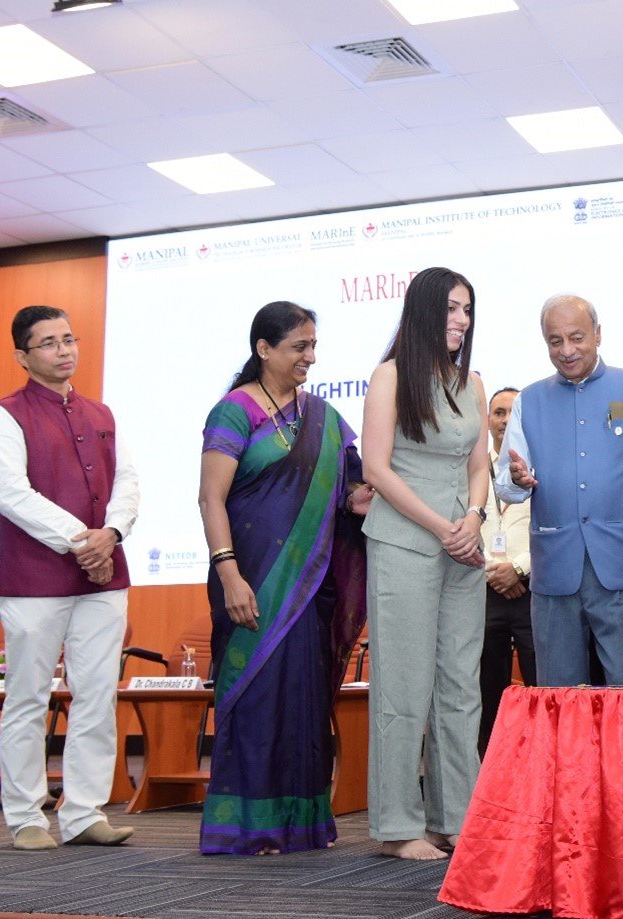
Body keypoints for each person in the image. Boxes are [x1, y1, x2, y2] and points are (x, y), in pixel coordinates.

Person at [197, 301, 370, 856]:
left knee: (302, 703)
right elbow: (211, 497)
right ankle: (247, 827)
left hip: (309, 588)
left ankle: (300, 825)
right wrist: (230, 575)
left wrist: (366, 496)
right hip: (250, 582)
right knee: (255, 702)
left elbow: (349, 493)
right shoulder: (234, 412)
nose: (310, 357)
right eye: (299, 346)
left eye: (314, 345)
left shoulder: (323, 417)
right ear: (264, 349)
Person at [0, 305, 138, 851]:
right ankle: (26, 816)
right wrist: (83, 541)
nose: (64, 350)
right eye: (48, 343)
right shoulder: (5, 414)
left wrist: (110, 535)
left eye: (69, 339)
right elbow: (12, 495)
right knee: (28, 697)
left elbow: (128, 482)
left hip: (103, 575)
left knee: (96, 695)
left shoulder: (101, 413)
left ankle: (84, 812)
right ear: (23, 356)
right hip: (33, 579)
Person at [362, 267, 489, 860]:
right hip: (406, 542)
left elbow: (479, 465)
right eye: (450, 309)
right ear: (422, 313)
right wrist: (442, 527)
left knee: (461, 687)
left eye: (466, 309)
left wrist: (475, 518)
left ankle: (455, 818)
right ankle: (395, 826)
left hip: (464, 548)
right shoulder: (389, 377)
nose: (460, 320)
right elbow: (376, 470)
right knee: (404, 684)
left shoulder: (475, 383)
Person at [496, 295, 623, 687]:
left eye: (576, 337)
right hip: (553, 566)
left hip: (622, 556)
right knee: (557, 693)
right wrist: (516, 479)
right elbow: (507, 482)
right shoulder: (529, 400)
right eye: (555, 341)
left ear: (598, 335)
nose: (566, 351)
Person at [478, 386, 535, 755]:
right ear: (487, 420)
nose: (504, 420)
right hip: (481, 592)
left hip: (533, 589)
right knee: (485, 692)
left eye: (512, 412)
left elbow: (554, 531)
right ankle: (488, 771)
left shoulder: (540, 465)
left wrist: (517, 569)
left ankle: (541, 768)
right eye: (498, 412)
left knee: (540, 686)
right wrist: (493, 572)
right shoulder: (471, 467)